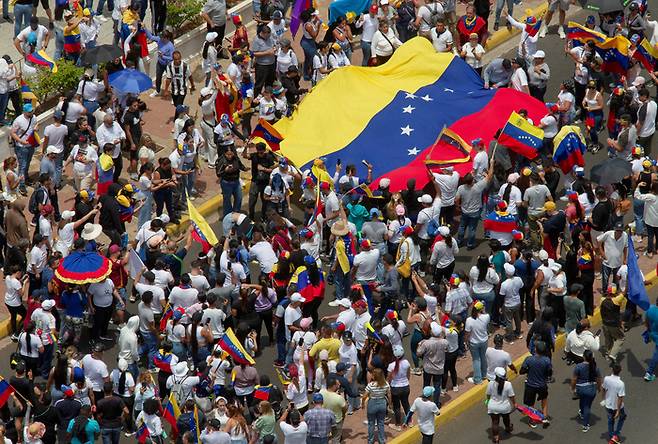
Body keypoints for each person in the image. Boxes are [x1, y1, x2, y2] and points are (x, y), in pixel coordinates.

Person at [519, 340, 552, 428]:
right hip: (542, 385)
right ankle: (544, 417)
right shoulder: (547, 360)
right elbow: (549, 373)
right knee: (544, 400)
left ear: (536, 349)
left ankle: (533, 420)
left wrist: (529, 370)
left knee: (531, 404)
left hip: (530, 385)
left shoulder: (529, 359)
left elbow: (521, 371)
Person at [570, 349, 601, 433]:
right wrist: (599, 388)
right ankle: (585, 425)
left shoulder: (578, 366)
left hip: (580, 389)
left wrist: (573, 388)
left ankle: (581, 412)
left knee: (582, 400)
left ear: (583, 357)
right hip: (591, 390)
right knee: (587, 405)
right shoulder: (595, 367)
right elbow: (598, 380)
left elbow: (574, 379)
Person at [485, 367, 515, 443]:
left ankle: (496, 438)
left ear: (495, 376)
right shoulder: (508, 384)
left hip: (493, 406)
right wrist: (515, 404)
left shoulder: (491, 383)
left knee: (495, 422)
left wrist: (487, 401)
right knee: (506, 419)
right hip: (504, 407)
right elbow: (511, 396)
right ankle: (508, 428)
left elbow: (488, 395)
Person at [363, 368, 391, 444]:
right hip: (382, 403)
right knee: (381, 423)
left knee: (371, 423)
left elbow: (364, 396)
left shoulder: (371, 385)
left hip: (372, 403)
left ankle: (370, 440)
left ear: (374, 376)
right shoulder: (386, 384)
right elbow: (389, 394)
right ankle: (382, 440)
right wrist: (390, 404)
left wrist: (362, 404)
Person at [465, 302, 490, 385]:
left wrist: (466, 342)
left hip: (474, 342)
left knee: (476, 360)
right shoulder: (486, 317)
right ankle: (484, 374)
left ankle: (478, 379)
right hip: (484, 341)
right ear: (481, 309)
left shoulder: (469, 320)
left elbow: (467, 334)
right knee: (483, 357)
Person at [602, 363, 626, 443]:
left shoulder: (606, 379)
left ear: (612, 370)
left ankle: (612, 436)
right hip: (617, 406)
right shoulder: (621, 384)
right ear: (621, 371)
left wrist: (603, 399)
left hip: (608, 404)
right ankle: (615, 435)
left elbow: (603, 389)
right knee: (622, 417)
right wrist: (618, 410)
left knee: (610, 420)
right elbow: (620, 398)